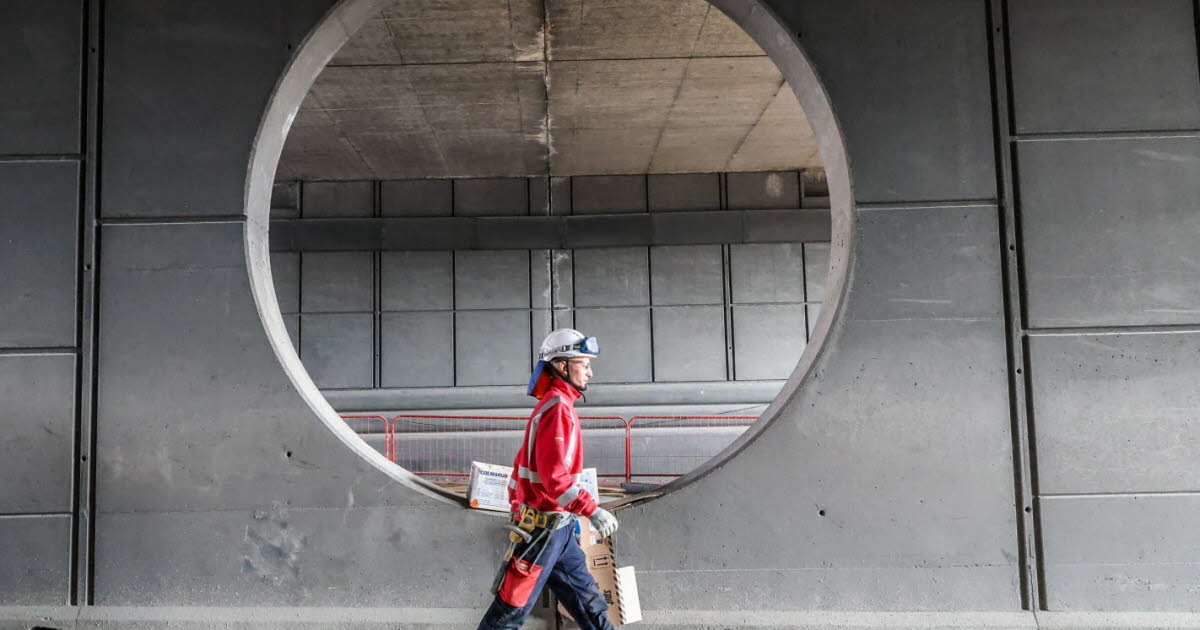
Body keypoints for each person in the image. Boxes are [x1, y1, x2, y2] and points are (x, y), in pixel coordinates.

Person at [476, 329, 620, 630]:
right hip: (543, 533)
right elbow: (555, 477)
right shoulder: (556, 409)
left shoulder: (557, 405)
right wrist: (592, 510)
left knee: (589, 605)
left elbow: (521, 468)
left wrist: (520, 505)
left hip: (559, 528)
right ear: (562, 365)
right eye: (584, 363)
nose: (591, 372)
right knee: (507, 615)